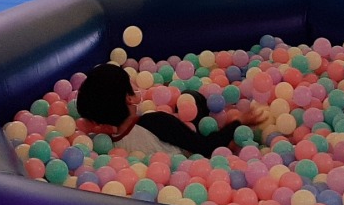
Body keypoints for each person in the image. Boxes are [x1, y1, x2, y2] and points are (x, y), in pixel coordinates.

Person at [75, 63, 266, 158]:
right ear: (129, 98)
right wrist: (238, 122)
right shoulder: (155, 122)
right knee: (192, 97)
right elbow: (205, 148)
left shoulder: (104, 143)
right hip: (193, 163)